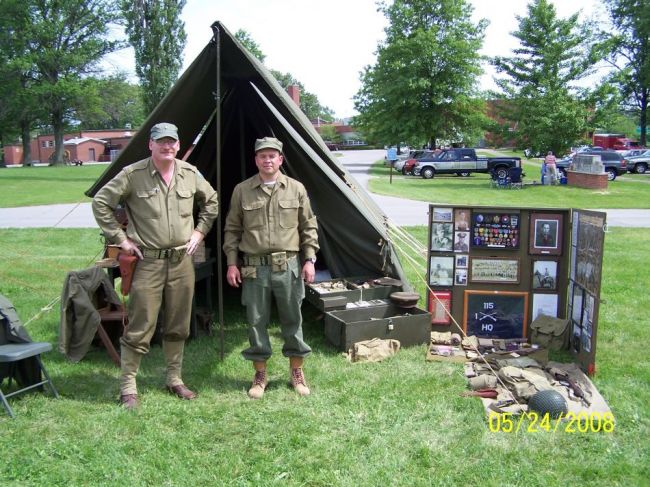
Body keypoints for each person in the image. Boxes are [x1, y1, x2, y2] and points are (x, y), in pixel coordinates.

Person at [92, 123, 218, 410]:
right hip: (147, 262)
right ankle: (128, 386)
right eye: (161, 142)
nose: (167, 147)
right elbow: (101, 203)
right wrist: (121, 240)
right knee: (141, 324)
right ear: (150, 144)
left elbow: (211, 201)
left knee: (178, 323)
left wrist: (199, 233)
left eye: (172, 142)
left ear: (178, 144)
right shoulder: (133, 174)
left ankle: (174, 378)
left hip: (181, 261)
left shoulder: (189, 173)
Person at [223, 137, 319, 399]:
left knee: (292, 319)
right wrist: (232, 263)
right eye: (262, 156)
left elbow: (308, 226)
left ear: (280, 159)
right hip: (254, 268)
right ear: (256, 160)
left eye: (272, 156)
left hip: (288, 265)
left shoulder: (296, 188)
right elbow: (232, 229)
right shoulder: (242, 190)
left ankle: (296, 372)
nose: (267, 160)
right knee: (256, 322)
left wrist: (309, 260)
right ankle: (260, 374)